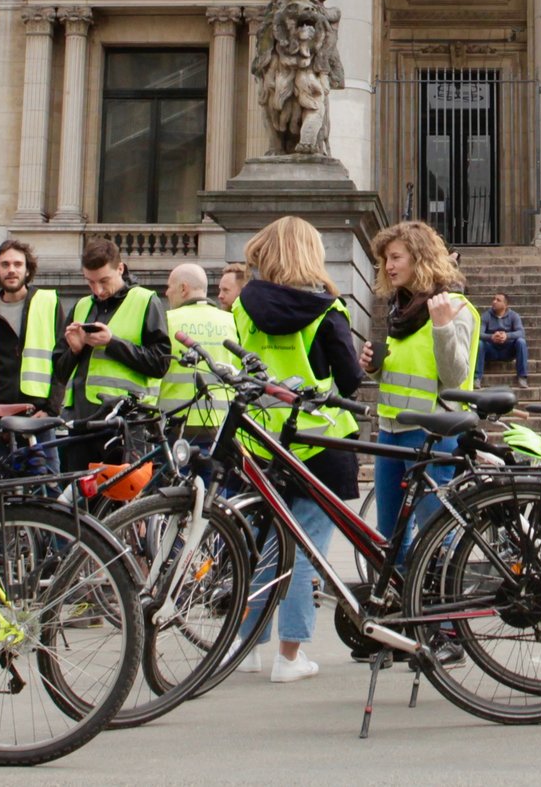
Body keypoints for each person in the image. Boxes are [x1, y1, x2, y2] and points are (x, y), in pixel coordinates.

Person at [231, 216, 364, 684]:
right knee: (305, 548)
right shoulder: (328, 310)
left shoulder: (243, 307)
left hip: (263, 439)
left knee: (266, 545)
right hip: (318, 440)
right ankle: (290, 655)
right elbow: (348, 381)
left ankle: (246, 645)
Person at [361, 220, 476, 553]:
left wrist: (442, 327)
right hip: (390, 430)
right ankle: (397, 599)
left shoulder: (453, 307)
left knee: (435, 531)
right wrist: (375, 368)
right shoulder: (401, 310)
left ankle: (442, 595)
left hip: (431, 433)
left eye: (396, 257)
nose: (389, 266)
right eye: (386, 260)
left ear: (419, 258)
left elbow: (455, 377)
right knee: (389, 533)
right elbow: (405, 371)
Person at [0, 237, 66, 440]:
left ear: (28, 270)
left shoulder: (49, 304)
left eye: (18, 264)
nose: (11, 270)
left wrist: (51, 410)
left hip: (37, 415)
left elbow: (63, 362)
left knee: (46, 472)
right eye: (5, 264)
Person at [61, 238, 169, 417]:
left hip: (127, 418)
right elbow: (59, 374)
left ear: (120, 268)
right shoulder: (82, 305)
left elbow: (160, 364)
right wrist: (74, 351)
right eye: (90, 282)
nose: (97, 290)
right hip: (80, 417)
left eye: (104, 281)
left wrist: (112, 343)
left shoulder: (145, 301)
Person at [157, 263, 238, 433]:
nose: (166, 293)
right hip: (223, 424)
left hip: (175, 423)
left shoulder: (167, 320)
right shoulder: (231, 321)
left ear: (183, 288)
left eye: (169, 287)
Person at [480, 291, 530, 389]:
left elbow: (521, 332)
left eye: (498, 300)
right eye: (494, 299)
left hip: (508, 351)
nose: (494, 302)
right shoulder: (486, 315)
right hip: (491, 351)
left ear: (505, 305)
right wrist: (491, 337)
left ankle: (522, 377)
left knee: (521, 342)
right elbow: (479, 333)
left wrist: (507, 336)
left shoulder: (514, 316)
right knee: (480, 343)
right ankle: (477, 378)